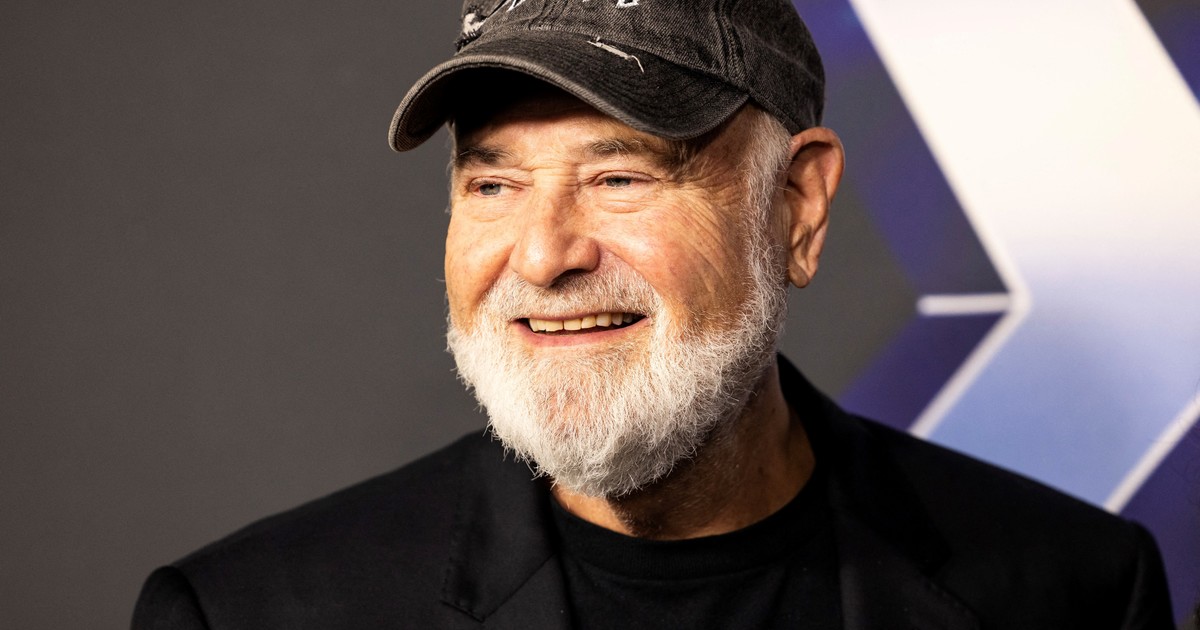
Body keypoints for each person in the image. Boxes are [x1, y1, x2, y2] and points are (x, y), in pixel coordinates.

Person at [132, 1, 1175, 628]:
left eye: (620, 177)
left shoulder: (1072, 590)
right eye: (493, 185)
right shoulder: (252, 611)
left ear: (797, 207)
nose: (543, 255)